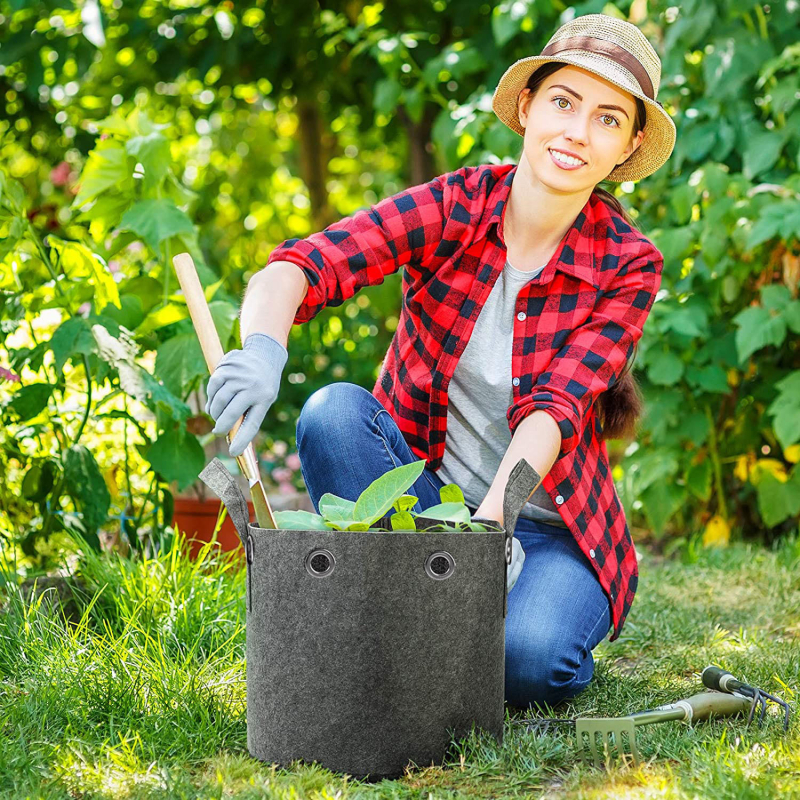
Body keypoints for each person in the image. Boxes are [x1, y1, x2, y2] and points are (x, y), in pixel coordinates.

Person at [205, 13, 676, 710]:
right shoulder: (458, 205)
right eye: (563, 103)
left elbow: (557, 408)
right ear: (527, 106)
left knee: (528, 665)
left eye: (608, 119)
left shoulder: (627, 263)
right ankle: (426, 619)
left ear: (629, 145)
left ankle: (436, 625)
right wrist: (263, 351)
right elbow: (303, 265)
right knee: (332, 413)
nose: (577, 132)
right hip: (423, 511)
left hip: (545, 529)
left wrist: (488, 539)